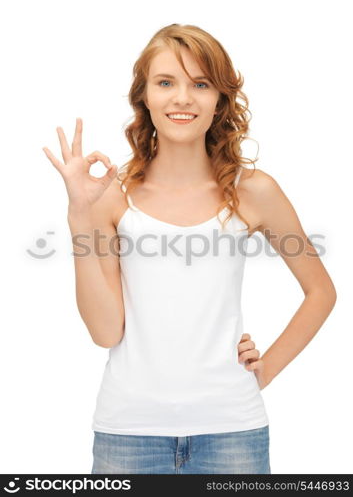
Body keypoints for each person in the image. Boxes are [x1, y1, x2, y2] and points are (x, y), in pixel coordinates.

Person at [42, 24, 337, 474]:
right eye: (166, 83)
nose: (182, 98)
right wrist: (79, 218)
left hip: (232, 433)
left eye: (200, 84)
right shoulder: (111, 194)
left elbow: (321, 292)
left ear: (219, 98)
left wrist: (268, 368)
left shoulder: (254, 191)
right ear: (144, 96)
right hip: (129, 434)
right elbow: (104, 331)